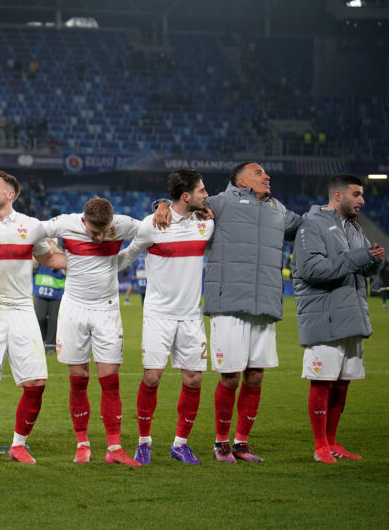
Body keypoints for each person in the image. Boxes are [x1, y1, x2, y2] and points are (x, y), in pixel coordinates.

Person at [154, 161, 301, 462]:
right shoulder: (220, 203)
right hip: (230, 304)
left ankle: (242, 443)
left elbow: (304, 227)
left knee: (256, 376)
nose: (267, 176)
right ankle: (221, 443)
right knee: (230, 377)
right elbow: (185, 202)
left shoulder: (278, 209)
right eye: (259, 172)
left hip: (265, 305)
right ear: (242, 180)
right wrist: (161, 205)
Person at [0, 170, 66, 465]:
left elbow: (49, 258)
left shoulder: (31, 226)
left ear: (11, 195)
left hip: (22, 309)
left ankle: (19, 445)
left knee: (36, 383)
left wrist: (85, 260)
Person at [117, 169, 213, 465]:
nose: (206, 195)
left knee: (194, 379)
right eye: (201, 191)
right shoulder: (152, 225)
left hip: (191, 316)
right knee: (152, 377)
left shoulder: (206, 223)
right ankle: (144, 442)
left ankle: (180, 444)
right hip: (158, 315)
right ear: (186, 196)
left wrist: (161, 203)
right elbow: (126, 257)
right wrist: (93, 271)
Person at [40, 197, 142, 466]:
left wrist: (162, 205)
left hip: (106, 310)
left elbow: (149, 232)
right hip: (73, 308)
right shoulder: (66, 223)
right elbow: (32, 232)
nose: (99, 238)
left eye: (104, 231)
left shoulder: (123, 224)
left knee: (110, 378)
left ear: (112, 222)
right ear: (83, 220)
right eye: (93, 232)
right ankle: (82, 443)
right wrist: (51, 258)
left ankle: (114, 448)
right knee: (78, 377)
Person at [292, 174, 383, 463]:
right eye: (356, 194)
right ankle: (320, 446)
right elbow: (313, 270)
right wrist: (360, 257)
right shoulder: (313, 224)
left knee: (342, 383)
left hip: (352, 316)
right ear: (339, 196)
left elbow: (359, 267)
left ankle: (332, 442)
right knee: (322, 382)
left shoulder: (354, 229)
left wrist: (374, 261)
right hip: (325, 316)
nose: (362, 200)